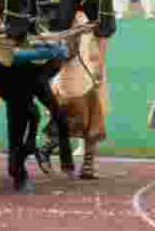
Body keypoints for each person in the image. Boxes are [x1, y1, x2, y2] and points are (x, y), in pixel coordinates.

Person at [39, 10, 108, 178]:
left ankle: (87, 168)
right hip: (71, 81)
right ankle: (45, 151)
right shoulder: (63, 18)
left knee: (94, 125)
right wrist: (75, 33)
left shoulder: (86, 16)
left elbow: (97, 43)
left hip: (87, 76)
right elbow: (66, 53)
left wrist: (98, 66)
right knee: (72, 123)